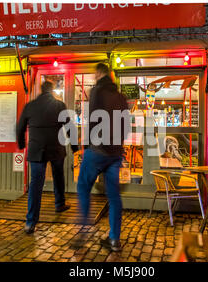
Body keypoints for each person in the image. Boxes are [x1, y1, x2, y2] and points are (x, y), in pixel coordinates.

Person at [75, 63, 130, 251]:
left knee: (83, 186)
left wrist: (87, 145)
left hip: (98, 150)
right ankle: (114, 239)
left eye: (94, 74)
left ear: (99, 74)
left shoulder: (96, 92)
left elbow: (93, 120)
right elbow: (126, 125)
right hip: (115, 153)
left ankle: (84, 230)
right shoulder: (122, 97)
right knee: (114, 197)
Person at [16, 80, 77, 234]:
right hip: (56, 148)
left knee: (36, 185)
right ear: (51, 91)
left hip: (36, 149)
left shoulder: (30, 106)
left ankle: (30, 222)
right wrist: (75, 147)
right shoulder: (59, 105)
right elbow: (70, 127)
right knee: (58, 175)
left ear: (41, 91)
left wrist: (22, 144)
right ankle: (60, 203)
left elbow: (20, 127)